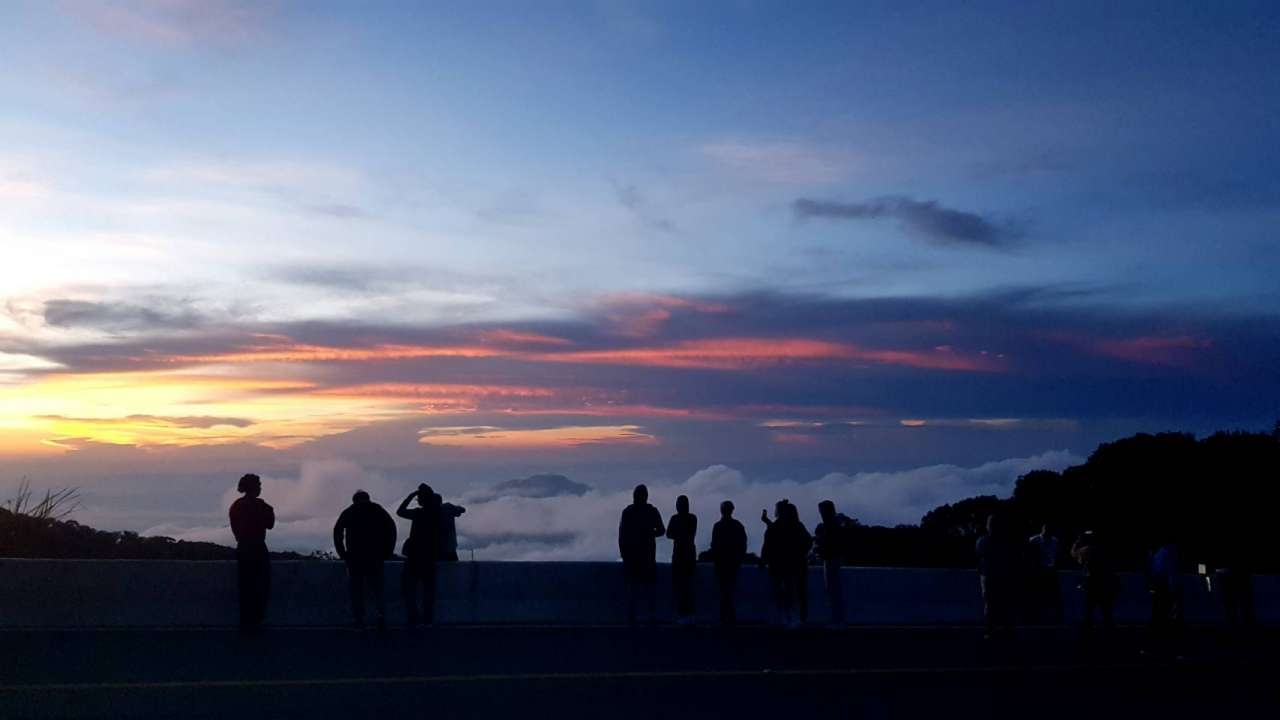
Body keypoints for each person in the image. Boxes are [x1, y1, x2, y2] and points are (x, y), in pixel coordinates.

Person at [333, 490, 397, 630]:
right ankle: (380, 615)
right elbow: (391, 528)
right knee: (377, 588)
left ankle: (359, 619)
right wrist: (388, 550)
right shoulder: (377, 509)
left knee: (357, 589)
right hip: (375, 555)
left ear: (354, 500)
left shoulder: (350, 511)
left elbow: (337, 531)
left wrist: (343, 553)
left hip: (355, 556)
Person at [229, 473, 274, 631]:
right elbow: (270, 524)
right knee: (261, 584)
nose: (260, 488)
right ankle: (256, 620)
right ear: (254, 488)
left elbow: (235, 527)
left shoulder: (236, 505)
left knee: (245, 585)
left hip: (243, 548)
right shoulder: (261, 505)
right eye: (259, 485)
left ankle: (246, 620)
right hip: (258, 548)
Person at [618, 484, 665, 625]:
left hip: (631, 555)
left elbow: (622, 534)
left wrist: (623, 553)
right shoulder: (652, 511)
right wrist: (650, 534)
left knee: (632, 585)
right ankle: (651, 615)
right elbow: (662, 530)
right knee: (650, 586)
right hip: (648, 555)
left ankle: (632, 614)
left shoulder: (628, 511)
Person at [761, 501, 812, 628]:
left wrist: (764, 559)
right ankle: (793, 617)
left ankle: (788, 617)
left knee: (787, 591)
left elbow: (767, 544)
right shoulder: (795, 525)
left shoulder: (782, 526)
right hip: (787, 564)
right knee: (788, 592)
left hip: (784, 564)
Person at [398, 484, 443, 627]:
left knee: (409, 589)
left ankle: (413, 617)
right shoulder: (438, 514)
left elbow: (400, 511)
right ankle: (427, 619)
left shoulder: (419, 513)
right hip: (430, 557)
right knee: (428, 591)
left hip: (415, 557)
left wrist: (410, 497)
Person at [975, 513, 1018, 638]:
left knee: (992, 603)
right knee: (1000, 602)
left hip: (990, 575)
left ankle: (992, 629)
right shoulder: (1005, 541)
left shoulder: (982, 541)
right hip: (996, 574)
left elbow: (979, 558)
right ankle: (1002, 628)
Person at [1144, 536, 1184, 659]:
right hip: (1164, 588)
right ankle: (1165, 645)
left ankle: (1158, 645)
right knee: (1165, 616)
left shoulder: (1161, 553)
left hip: (1162, 588)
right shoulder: (1165, 552)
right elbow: (1169, 572)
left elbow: (1162, 571)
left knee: (1160, 616)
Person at [1072, 529, 1119, 634]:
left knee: (1090, 608)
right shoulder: (1102, 550)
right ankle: (1109, 629)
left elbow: (1074, 554)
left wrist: (1077, 542)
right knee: (1105, 609)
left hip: (1093, 583)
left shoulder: (1087, 550)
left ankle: (1089, 630)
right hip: (1103, 583)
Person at [814, 500, 852, 626]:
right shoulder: (834, 524)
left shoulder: (831, 526)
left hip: (832, 559)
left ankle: (837, 620)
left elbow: (831, 542)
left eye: (822, 510)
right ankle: (837, 619)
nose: (820, 513)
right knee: (834, 590)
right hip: (831, 558)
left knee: (833, 590)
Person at [710, 500, 747, 626]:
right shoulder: (738, 526)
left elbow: (714, 545)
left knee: (724, 589)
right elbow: (743, 544)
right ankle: (729, 615)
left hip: (722, 562)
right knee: (728, 589)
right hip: (732, 562)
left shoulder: (718, 526)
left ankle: (725, 615)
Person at [666, 495, 698, 625]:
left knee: (681, 586)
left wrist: (678, 535)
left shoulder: (675, 518)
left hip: (680, 554)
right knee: (686, 585)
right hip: (688, 553)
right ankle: (688, 614)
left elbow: (669, 534)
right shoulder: (692, 518)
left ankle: (683, 613)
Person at [1028, 524, 1062, 623]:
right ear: (1042, 530)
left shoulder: (1055, 540)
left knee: (1050, 595)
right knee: (1039, 594)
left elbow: (1056, 554)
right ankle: (1037, 617)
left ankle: (1049, 617)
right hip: (1038, 571)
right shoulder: (1034, 540)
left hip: (1050, 570)